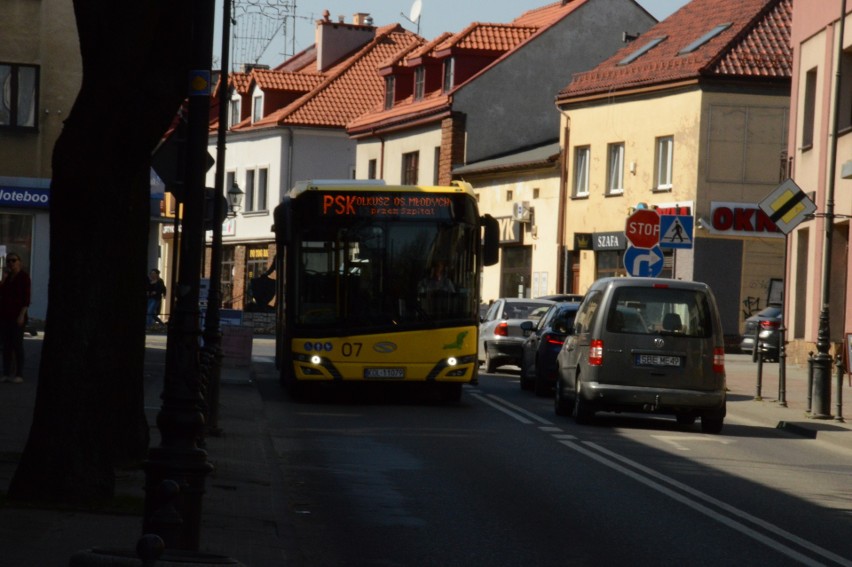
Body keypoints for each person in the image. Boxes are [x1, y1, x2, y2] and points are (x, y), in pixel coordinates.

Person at [0, 253, 31, 384]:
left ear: (19, 262)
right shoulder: (8, 278)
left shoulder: (24, 277)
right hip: (5, 316)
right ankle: (6, 372)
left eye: (13, 261)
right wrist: (3, 279)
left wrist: (21, 315)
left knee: (17, 344)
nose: (11, 263)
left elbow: (26, 298)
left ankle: (19, 373)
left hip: (18, 315)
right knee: (6, 345)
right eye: (8, 261)